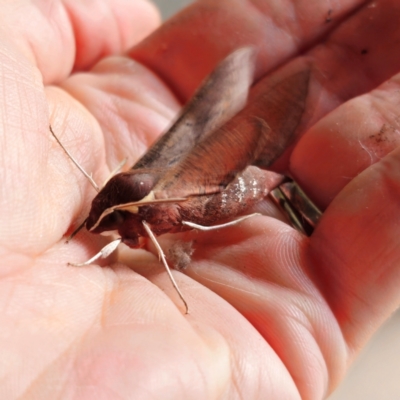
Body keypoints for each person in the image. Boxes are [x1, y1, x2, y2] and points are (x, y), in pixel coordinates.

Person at [1, 0, 399, 398]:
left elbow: (154, 226)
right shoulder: (125, 210)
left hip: (230, 187)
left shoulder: (146, 212)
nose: (99, 225)